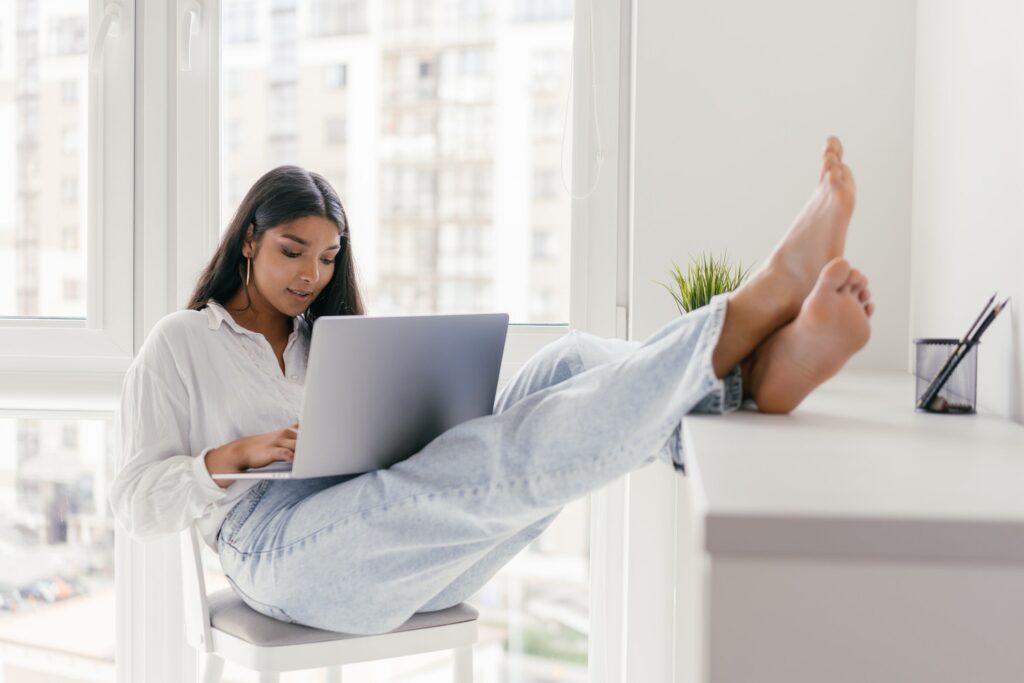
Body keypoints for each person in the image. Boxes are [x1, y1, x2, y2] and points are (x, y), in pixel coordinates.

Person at [109, 137, 873, 635]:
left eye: (329, 257)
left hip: (399, 541)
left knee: (569, 362)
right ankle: (744, 327)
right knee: (493, 460)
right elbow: (132, 501)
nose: (312, 274)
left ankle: (745, 379)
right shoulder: (181, 342)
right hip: (283, 557)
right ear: (248, 241)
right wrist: (233, 457)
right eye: (292, 251)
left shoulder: (331, 342)